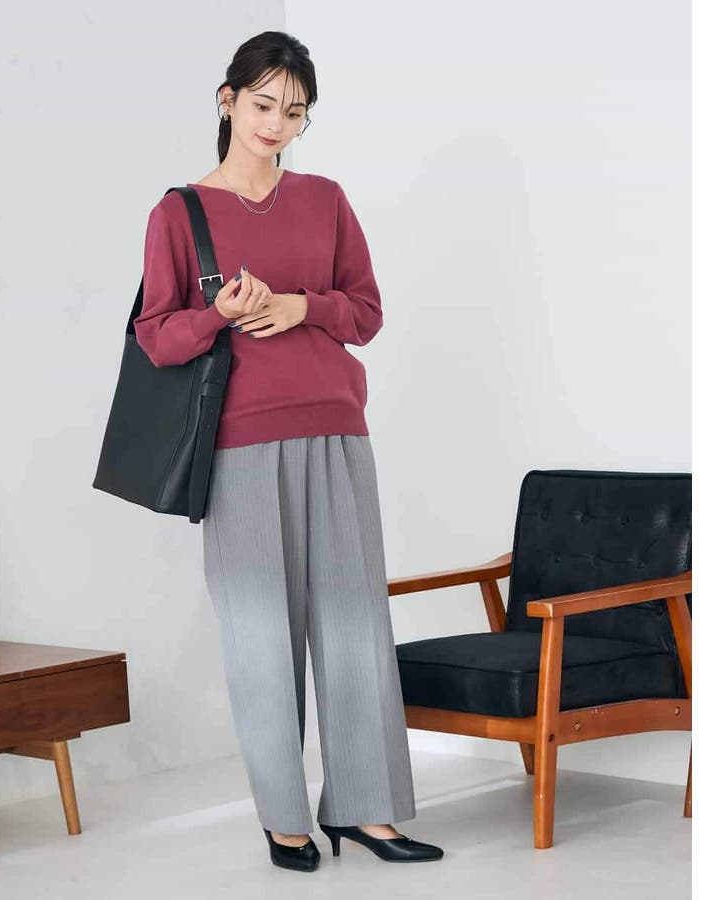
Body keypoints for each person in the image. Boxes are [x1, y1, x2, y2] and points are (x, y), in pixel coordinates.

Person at [133, 31, 444, 873]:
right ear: (228, 100)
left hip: (336, 431)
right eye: (264, 103)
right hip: (238, 444)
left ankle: (367, 811)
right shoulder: (179, 214)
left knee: (354, 625)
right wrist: (222, 314)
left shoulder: (326, 199)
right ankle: (285, 820)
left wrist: (305, 306)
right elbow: (157, 337)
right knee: (259, 638)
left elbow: (365, 313)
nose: (276, 124)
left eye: (295, 112)